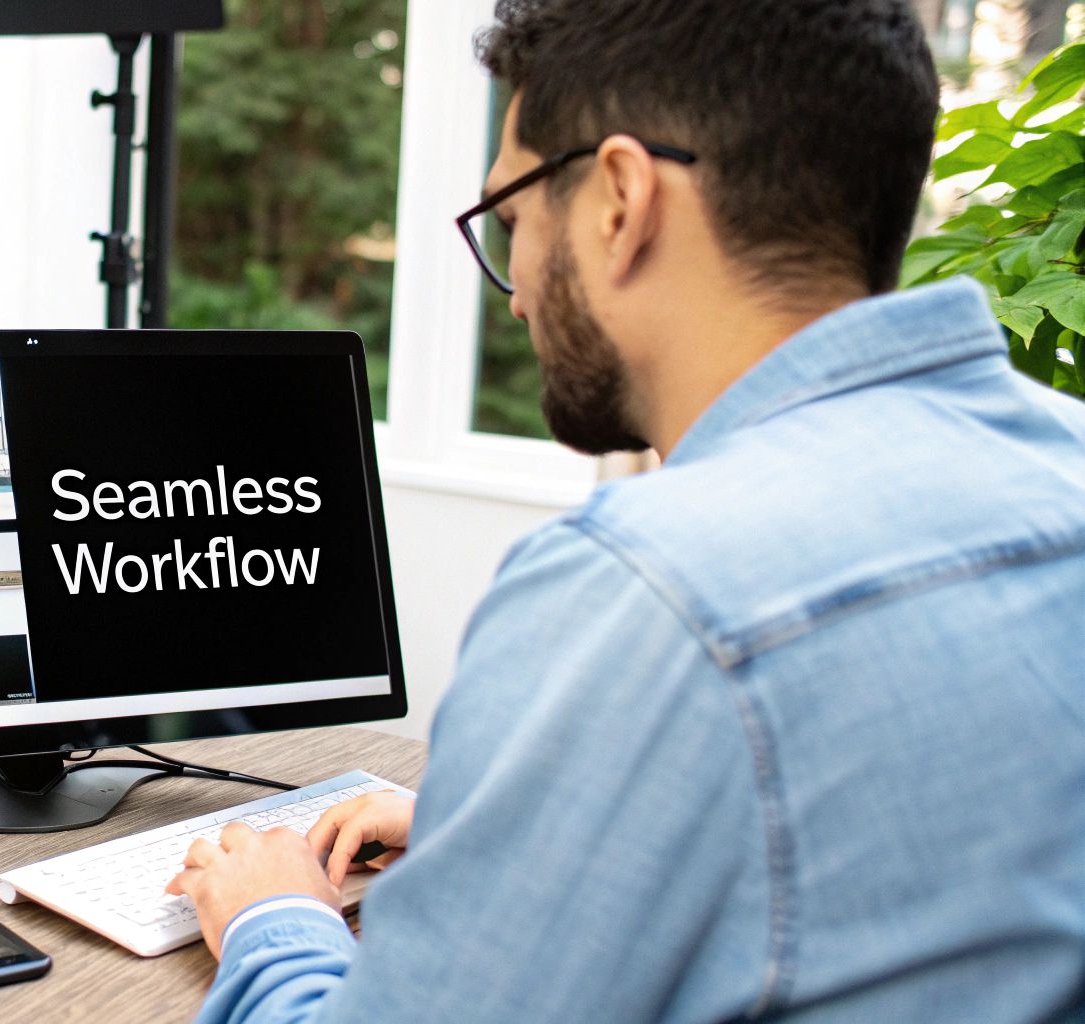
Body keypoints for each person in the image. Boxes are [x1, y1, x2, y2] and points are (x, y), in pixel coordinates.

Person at [166, 1, 1085, 1020]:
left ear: (618, 198)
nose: (510, 291)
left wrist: (270, 918)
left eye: (508, 219)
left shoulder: (643, 589)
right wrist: (528, 833)